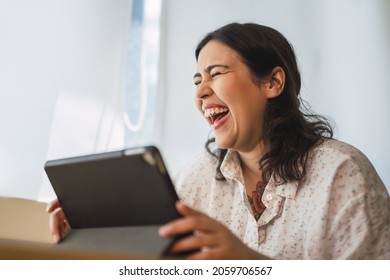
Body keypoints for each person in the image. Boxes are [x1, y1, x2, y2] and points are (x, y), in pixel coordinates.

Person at [47, 22, 390, 259]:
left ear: (272, 83)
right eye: (197, 80)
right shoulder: (196, 178)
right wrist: (94, 232)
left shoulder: (342, 172)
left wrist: (252, 264)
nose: (200, 90)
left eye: (216, 74)